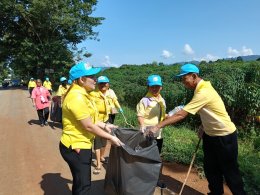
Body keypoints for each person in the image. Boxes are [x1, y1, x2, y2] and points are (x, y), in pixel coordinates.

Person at [149, 64, 246, 195]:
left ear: (194, 76)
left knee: (230, 171)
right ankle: (216, 193)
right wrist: (203, 126)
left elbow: (181, 114)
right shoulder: (199, 89)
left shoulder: (203, 91)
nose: (183, 83)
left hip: (225, 136)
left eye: (185, 79)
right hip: (210, 135)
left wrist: (157, 126)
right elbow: (208, 111)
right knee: (211, 168)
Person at [59, 62, 123, 195]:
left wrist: (106, 125)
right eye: (92, 76)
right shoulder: (76, 97)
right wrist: (111, 137)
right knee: (84, 185)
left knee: (80, 182)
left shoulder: (83, 94)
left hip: (81, 144)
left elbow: (91, 120)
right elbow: (88, 126)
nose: (96, 80)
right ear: (82, 79)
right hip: (76, 146)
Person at [136, 74, 167, 188]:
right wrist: (143, 125)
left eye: (157, 86)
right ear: (148, 87)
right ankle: (144, 179)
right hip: (149, 133)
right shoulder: (144, 100)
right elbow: (140, 115)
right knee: (147, 157)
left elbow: (162, 115)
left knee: (157, 157)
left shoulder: (161, 100)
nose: (155, 89)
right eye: (152, 86)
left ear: (161, 87)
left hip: (159, 134)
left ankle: (155, 179)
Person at [90, 76, 111, 174]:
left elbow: (112, 104)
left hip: (106, 120)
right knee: (98, 142)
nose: (103, 85)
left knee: (104, 141)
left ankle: (102, 157)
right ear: (98, 85)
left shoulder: (109, 94)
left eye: (104, 83)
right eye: (101, 83)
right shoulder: (93, 95)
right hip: (97, 122)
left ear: (108, 84)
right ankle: (98, 164)